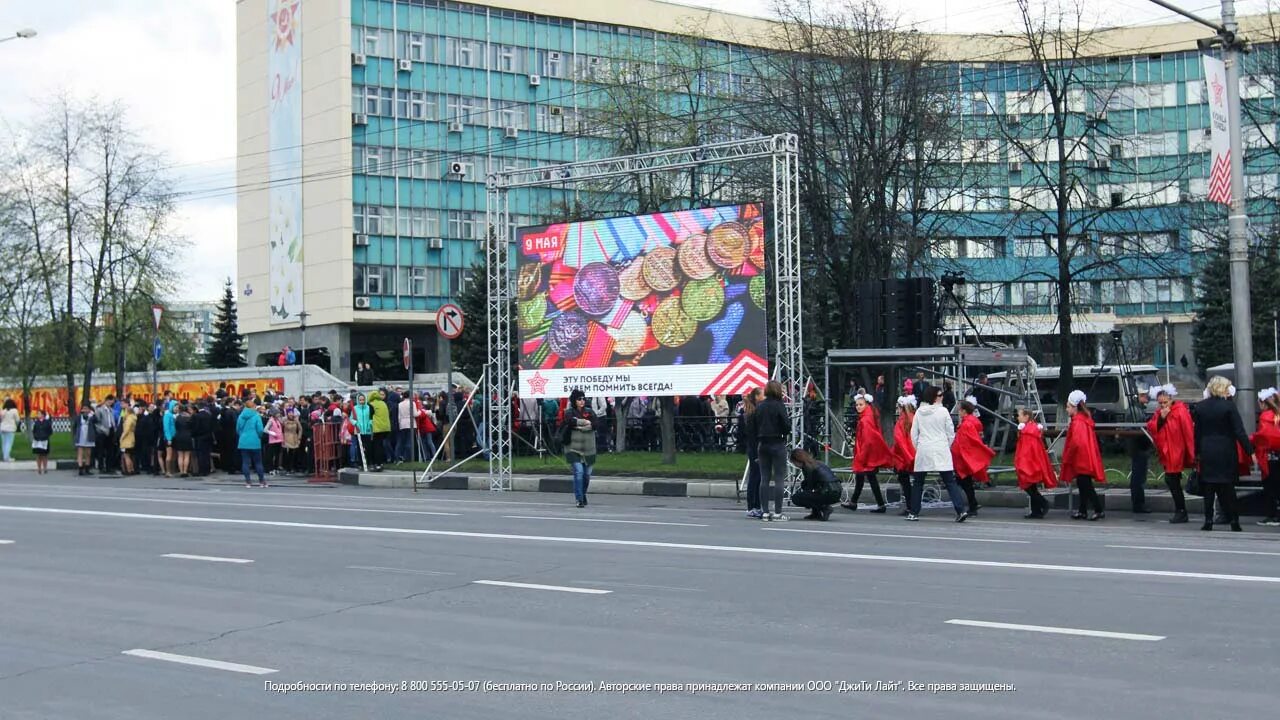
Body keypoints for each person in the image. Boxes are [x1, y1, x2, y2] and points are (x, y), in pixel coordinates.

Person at [1194, 376, 1252, 532]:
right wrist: (1250, 451)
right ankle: (1234, 520)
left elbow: (1197, 433)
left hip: (1207, 450)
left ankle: (1208, 520)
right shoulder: (1229, 407)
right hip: (1226, 450)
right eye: (1227, 388)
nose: (1228, 391)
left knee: (1209, 488)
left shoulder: (1200, 407)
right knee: (1228, 488)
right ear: (1221, 389)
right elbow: (1239, 431)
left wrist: (1197, 453)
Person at [909, 386, 968, 522]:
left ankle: (914, 512)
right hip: (941, 448)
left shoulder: (919, 412)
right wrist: (945, 444)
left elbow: (914, 434)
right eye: (940, 395)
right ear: (934, 397)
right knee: (950, 481)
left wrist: (919, 446)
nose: (942, 397)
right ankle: (960, 510)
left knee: (918, 482)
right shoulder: (943, 411)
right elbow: (950, 432)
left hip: (924, 448)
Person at [1148, 384, 1195, 524]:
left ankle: (1181, 511)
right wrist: (1161, 419)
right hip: (1167, 452)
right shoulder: (1159, 413)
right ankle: (1180, 510)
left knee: (1172, 480)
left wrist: (1191, 452)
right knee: (1171, 481)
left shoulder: (1180, 411)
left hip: (1176, 451)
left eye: (1165, 402)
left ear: (1171, 399)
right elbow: (1152, 426)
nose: (1163, 405)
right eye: (1160, 403)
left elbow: (1188, 432)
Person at [1062, 390, 1107, 521]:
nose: (1066, 409)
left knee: (1085, 485)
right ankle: (1083, 510)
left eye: (1068, 406)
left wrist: (1068, 456)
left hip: (1081, 458)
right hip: (1085, 457)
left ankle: (1098, 509)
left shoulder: (1078, 422)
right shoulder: (1082, 419)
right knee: (1083, 484)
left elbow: (1076, 442)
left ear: (1075, 407)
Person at [844, 392, 891, 513]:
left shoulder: (865, 420)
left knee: (866, 477)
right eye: (857, 405)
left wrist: (861, 456)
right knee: (867, 478)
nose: (858, 407)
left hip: (866, 455)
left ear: (866, 405)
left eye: (860, 404)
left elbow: (868, 440)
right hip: (868, 454)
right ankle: (857, 502)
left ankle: (873, 504)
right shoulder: (869, 416)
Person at [754, 380, 791, 521]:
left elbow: (754, 424)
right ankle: (778, 512)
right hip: (777, 443)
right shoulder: (779, 406)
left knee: (764, 478)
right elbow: (786, 426)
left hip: (762, 444)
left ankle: (764, 511)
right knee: (779, 478)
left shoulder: (760, 406)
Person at [952, 397, 995, 516]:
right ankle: (973, 504)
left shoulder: (966, 424)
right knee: (966, 482)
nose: (958, 412)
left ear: (964, 411)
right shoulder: (972, 422)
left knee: (964, 482)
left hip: (964, 459)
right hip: (965, 458)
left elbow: (965, 443)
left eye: (960, 410)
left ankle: (972, 505)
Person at [1014, 408, 1057, 518]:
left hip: (1029, 463)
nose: (1017, 417)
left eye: (1019, 415)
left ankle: (1043, 503)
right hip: (1033, 462)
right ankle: (1036, 511)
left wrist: (1022, 462)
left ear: (1026, 416)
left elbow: (1026, 450)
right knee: (1031, 486)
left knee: (1028, 485)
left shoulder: (1027, 432)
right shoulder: (1032, 429)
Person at [561, 389, 600, 508]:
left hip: (589, 448)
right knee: (579, 472)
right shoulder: (569, 412)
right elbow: (570, 421)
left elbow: (596, 424)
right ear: (574, 401)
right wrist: (585, 422)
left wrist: (584, 424)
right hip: (573, 448)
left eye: (583, 398)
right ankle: (579, 499)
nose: (582, 401)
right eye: (579, 399)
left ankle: (582, 494)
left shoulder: (590, 411)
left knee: (587, 475)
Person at [789, 449, 841, 521]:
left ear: (797, 460)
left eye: (794, 463)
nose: (795, 465)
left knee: (796, 498)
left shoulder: (807, 467)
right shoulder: (817, 463)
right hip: (836, 492)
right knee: (811, 493)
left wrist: (806, 501)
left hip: (827, 492)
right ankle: (816, 513)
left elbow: (809, 486)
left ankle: (824, 508)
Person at [1253, 387, 1280, 527]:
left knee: (1270, 488)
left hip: (1270, 457)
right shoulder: (1278, 414)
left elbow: (1263, 437)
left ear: (1264, 403)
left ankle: (1272, 515)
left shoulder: (1265, 417)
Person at [891, 395, 917, 516]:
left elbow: (899, 441)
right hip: (914, 454)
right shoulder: (914, 418)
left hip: (902, 458)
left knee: (905, 482)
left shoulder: (902, 421)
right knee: (916, 482)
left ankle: (911, 506)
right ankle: (914, 506)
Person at [741, 387, 764, 519]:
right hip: (756, 447)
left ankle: (752, 506)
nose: (764, 396)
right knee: (757, 477)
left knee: (754, 476)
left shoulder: (749, 412)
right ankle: (754, 506)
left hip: (752, 447)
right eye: (762, 394)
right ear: (756, 397)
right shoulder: (755, 413)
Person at [237, 398, 268, 488]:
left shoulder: (241, 416)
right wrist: (259, 436)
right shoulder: (256, 416)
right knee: (258, 462)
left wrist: (242, 436)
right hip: (255, 441)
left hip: (243, 441)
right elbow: (260, 429)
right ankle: (261, 481)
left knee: (245, 462)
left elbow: (238, 429)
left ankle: (248, 482)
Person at [73, 404, 97, 475]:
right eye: (84, 409)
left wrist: (93, 413)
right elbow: (74, 426)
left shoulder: (91, 417)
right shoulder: (78, 417)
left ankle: (87, 468)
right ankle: (80, 468)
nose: (85, 411)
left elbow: (96, 420)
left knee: (88, 453)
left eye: (87, 409)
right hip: (81, 435)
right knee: (80, 452)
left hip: (89, 435)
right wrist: (75, 435)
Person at [173, 403, 194, 478]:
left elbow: (176, 427)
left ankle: (181, 471)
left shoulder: (178, 417)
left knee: (180, 455)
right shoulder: (189, 417)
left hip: (179, 436)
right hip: (188, 436)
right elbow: (192, 427)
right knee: (187, 455)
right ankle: (185, 471)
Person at [352, 393, 373, 468]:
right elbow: (351, 418)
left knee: (369, 447)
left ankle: (369, 462)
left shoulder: (368, 407)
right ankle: (360, 463)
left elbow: (371, 417)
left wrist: (370, 424)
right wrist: (356, 423)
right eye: (360, 400)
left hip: (367, 430)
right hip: (358, 431)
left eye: (363, 400)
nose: (362, 401)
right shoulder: (355, 408)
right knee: (359, 448)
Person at [31, 410, 53, 474]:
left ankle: (45, 468)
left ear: (43, 415)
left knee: (45, 455)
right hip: (37, 440)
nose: (38, 415)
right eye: (38, 414)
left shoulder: (47, 422)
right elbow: (34, 431)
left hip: (45, 440)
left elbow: (50, 431)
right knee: (38, 455)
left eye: (39, 414)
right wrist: (36, 437)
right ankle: (39, 468)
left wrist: (45, 436)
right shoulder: (36, 423)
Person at [264, 408, 284, 474]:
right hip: (273, 440)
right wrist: (271, 433)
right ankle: (270, 468)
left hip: (279, 440)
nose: (279, 414)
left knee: (277, 455)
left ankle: (276, 467)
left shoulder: (278, 420)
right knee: (271, 455)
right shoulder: (271, 421)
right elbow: (265, 429)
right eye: (278, 413)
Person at [119, 404, 137, 475]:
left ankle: (128, 470)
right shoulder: (133, 418)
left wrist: (122, 437)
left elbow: (126, 429)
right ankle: (132, 469)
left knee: (126, 455)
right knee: (129, 454)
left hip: (127, 439)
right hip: (131, 437)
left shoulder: (129, 419)